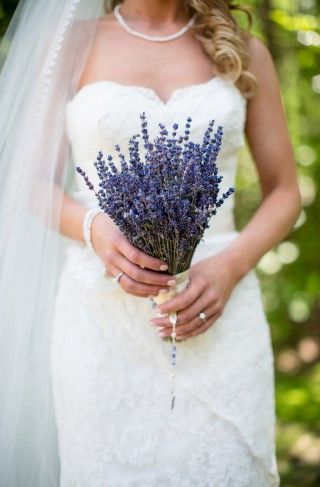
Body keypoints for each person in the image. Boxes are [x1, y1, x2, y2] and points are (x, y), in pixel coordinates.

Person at [0, 1, 300, 485]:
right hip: (100, 323)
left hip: (221, 312)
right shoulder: (70, 45)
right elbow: (30, 182)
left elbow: (286, 190)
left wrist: (230, 267)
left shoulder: (243, 50)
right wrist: (93, 227)